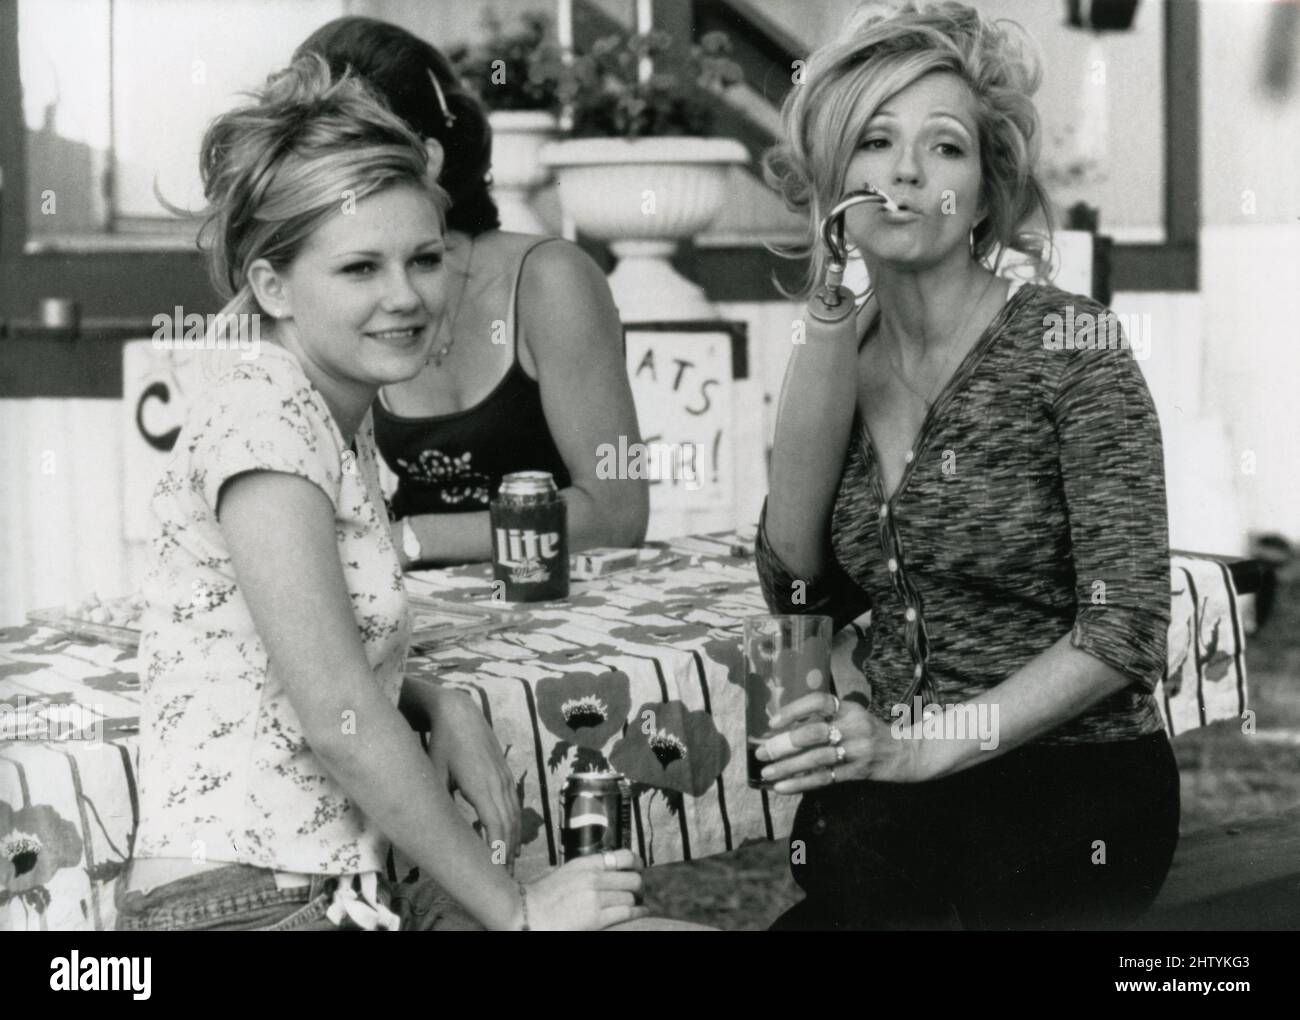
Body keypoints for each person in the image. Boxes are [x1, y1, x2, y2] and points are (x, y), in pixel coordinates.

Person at [116, 54, 651, 931]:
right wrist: (515, 911)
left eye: (426, 259)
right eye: (361, 269)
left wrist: (435, 697)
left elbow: (293, 652)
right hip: (245, 903)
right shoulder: (266, 424)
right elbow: (334, 715)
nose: (407, 297)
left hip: (337, 888)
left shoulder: (328, 406)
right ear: (272, 285)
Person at [753, 0, 1178, 930]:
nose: (905, 171)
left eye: (943, 147)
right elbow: (795, 587)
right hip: (906, 802)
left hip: (1076, 786)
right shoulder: (841, 353)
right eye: (874, 141)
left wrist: (918, 750)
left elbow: (1128, 627)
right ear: (835, 180)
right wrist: (825, 335)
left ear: (984, 192)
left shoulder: (1071, 343)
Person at [293, 17, 649, 568]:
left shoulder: (550, 278)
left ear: (428, 157)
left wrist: (409, 539)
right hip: (414, 611)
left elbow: (617, 513)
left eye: (353, 154)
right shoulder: (330, 284)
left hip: (560, 605)